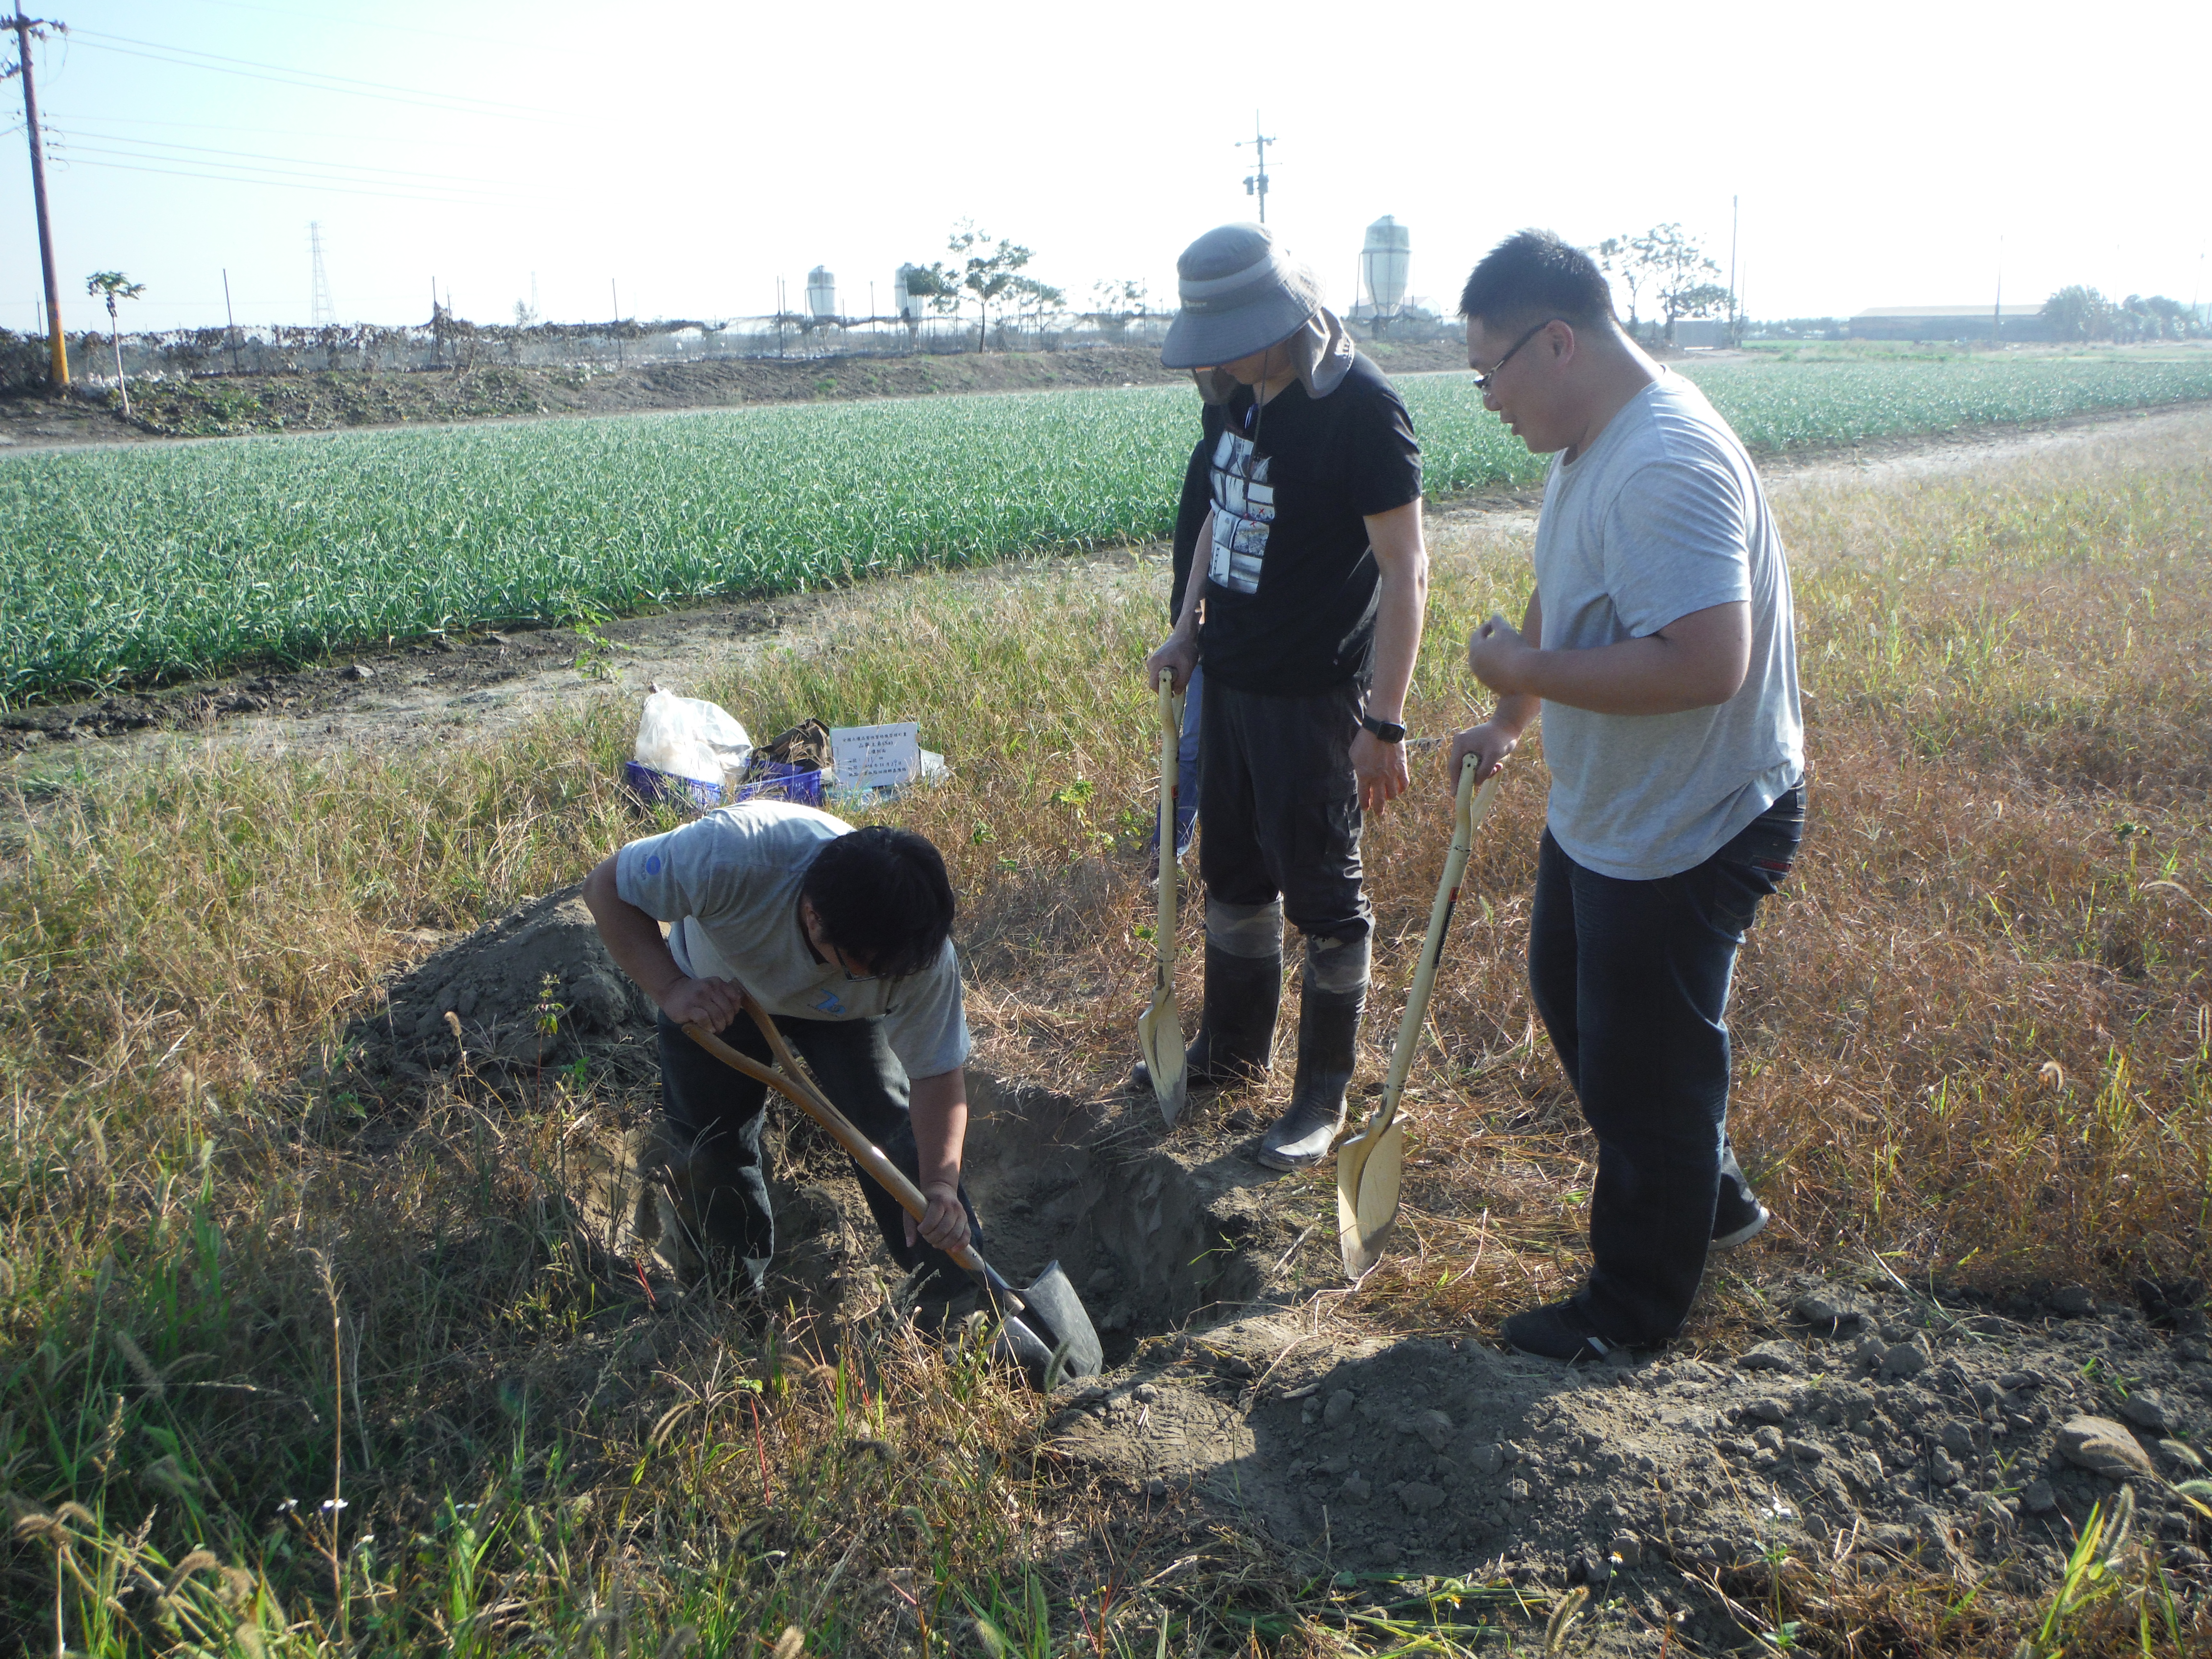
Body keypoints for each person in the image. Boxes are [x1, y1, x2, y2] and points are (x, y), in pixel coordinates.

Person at [1446, 230, 1805, 1361]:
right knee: (1575, 995)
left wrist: (1523, 673)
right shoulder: (1589, 439)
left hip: (1691, 821)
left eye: (1487, 370)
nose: (1485, 398)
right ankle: (1709, 1193)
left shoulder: (1663, 461)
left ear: (1555, 343)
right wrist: (1511, 721)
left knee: (1646, 1067)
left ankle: (1630, 1308)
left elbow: (1708, 661)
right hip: (1613, 814)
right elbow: (1572, 587)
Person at [1138, 222, 1429, 1170]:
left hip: (1317, 694)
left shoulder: (1363, 411)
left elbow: (1405, 570)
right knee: (1230, 871)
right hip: (1232, 677)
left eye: (1229, 340)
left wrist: (1382, 722)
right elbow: (1223, 509)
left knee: (1324, 893)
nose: (1213, 364)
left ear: (1285, 317)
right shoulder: (1232, 391)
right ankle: (1231, 1049)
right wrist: (1188, 631)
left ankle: (1320, 1093)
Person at [581, 805, 980, 1300]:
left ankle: (960, 1299)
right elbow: (605, 888)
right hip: (716, 998)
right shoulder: (729, 856)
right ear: (814, 920)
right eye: (870, 970)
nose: (889, 980)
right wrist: (672, 989)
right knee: (711, 1148)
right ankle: (731, 1300)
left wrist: (940, 1185)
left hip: (844, 1017)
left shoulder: (918, 957)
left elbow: (937, 1074)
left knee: (893, 1132)